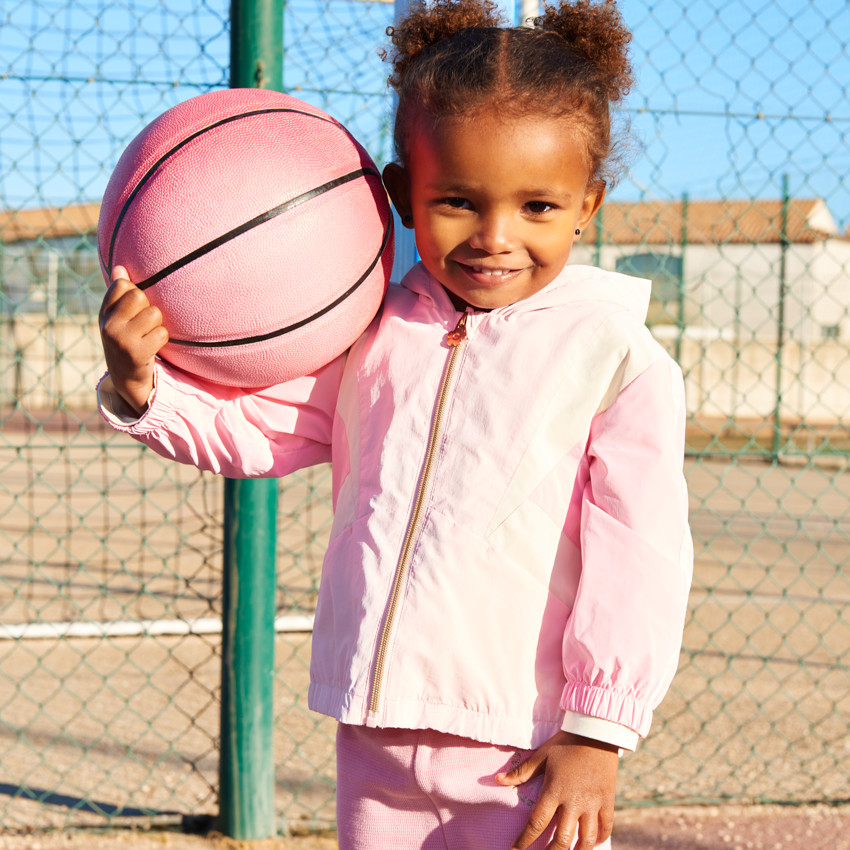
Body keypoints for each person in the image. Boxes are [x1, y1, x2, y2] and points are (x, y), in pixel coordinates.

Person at [97, 0, 693, 847]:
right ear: (400, 195)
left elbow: (641, 559)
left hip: (528, 748)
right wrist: (141, 385)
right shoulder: (374, 332)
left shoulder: (616, 358)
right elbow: (256, 431)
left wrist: (599, 729)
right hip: (375, 730)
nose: (495, 237)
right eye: (456, 200)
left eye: (538, 208)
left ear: (587, 203)